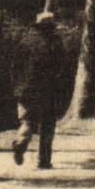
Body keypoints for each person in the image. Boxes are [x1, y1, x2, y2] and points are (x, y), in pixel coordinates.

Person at [12, 11, 71, 169]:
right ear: (51, 27)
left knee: (28, 121)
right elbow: (62, 66)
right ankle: (44, 161)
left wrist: (18, 86)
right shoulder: (55, 42)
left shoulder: (26, 41)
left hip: (25, 90)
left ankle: (20, 142)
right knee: (47, 125)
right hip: (48, 90)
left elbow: (15, 66)